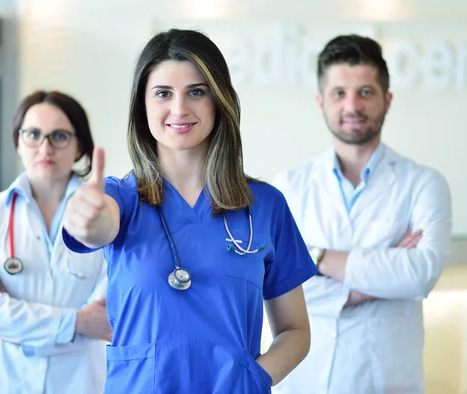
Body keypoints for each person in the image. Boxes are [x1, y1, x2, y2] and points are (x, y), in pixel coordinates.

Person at [61, 28, 318, 393]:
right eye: (163, 93)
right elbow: (97, 225)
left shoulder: (264, 206)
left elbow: (296, 330)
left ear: (219, 101)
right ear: (143, 106)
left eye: (196, 92)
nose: (179, 109)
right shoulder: (121, 199)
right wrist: (86, 218)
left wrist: (254, 378)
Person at [271, 34, 453, 394]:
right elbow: (281, 291)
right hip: (306, 377)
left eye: (365, 92)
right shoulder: (289, 187)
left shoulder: (424, 183)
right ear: (321, 102)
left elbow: (419, 275)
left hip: (384, 380)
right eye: (339, 93)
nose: (352, 105)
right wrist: (383, 274)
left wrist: (316, 258)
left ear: (387, 100)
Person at [0, 90, 110, 394]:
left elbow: (106, 313)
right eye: (32, 134)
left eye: (59, 136)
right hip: (4, 379)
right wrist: (77, 322)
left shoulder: (105, 217)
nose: (45, 147)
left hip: (79, 381)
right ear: (18, 142)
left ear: (79, 144)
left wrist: (15, 318)